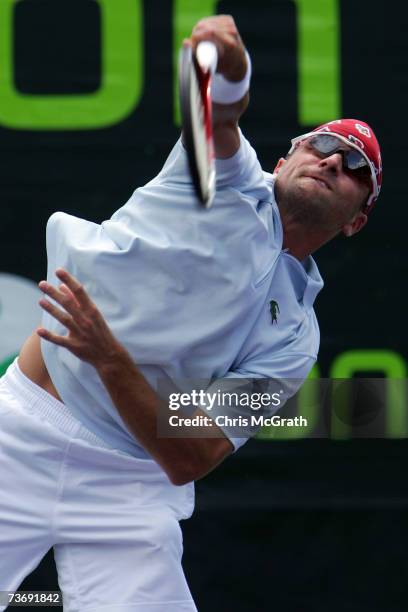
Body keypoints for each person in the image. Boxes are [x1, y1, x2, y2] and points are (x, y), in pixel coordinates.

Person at [0, 15, 382, 612]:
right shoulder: (217, 181)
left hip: (131, 489)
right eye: (325, 145)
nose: (336, 162)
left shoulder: (294, 342)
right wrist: (226, 59)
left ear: (357, 219)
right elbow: (216, 108)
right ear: (285, 158)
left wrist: (110, 359)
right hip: (19, 437)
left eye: (358, 168)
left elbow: (191, 452)